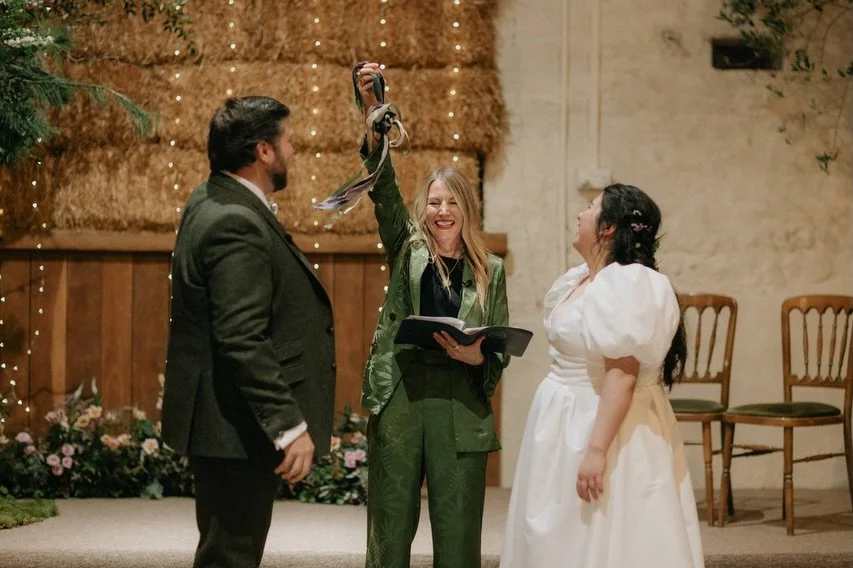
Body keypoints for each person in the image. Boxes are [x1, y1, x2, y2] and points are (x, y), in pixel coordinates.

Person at [161, 96, 336, 568]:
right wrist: (289, 425)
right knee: (230, 557)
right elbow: (240, 337)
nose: (293, 150)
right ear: (263, 150)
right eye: (288, 140)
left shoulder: (210, 197)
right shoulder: (235, 220)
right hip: (235, 425)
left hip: (226, 421)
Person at [352, 63, 510, 568]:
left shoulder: (491, 270)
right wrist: (372, 118)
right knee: (390, 527)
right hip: (403, 393)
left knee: (458, 533)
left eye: (452, 203)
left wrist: (477, 355)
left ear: (467, 209)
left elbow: (499, 349)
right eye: (434, 202)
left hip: (460, 401)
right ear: (424, 208)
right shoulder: (407, 248)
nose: (443, 211)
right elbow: (383, 193)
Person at [501, 184, 704, 568]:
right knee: (560, 538)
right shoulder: (582, 278)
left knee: (606, 530)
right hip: (564, 422)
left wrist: (596, 450)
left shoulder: (627, 283)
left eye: (590, 207)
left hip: (602, 425)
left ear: (608, 228)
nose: (580, 214)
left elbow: (623, 374)